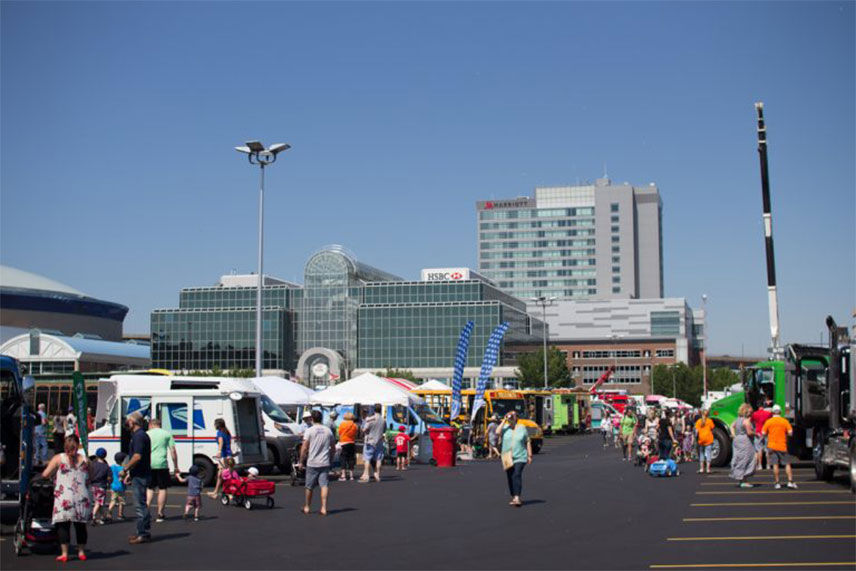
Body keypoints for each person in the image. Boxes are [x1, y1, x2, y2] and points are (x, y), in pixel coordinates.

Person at [42, 435, 92, 562]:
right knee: (80, 526)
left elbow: (45, 474)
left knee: (63, 525)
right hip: (82, 496)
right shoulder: (86, 459)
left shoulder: (59, 458)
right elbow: (90, 476)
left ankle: (65, 554)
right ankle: (81, 552)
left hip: (64, 496)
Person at [121, 412, 152, 544]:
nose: (127, 423)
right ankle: (142, 531)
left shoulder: (139, 436)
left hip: (141, 475)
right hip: (138, 474)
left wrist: (125, 469)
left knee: (140, 505)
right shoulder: (138, 435)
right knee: (140, 503)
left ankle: (143, 534)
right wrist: (130, 474)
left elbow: (137, 456)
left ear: (133, 422)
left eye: (128, 421)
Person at [299, 409, 335, 515]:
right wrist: (331, 459)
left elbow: (304, 447)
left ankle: (307, 507)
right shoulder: (328, 430)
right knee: (324, 485)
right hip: (324, 462)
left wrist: (301, 461)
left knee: (309, 486)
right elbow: (333, 448)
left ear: (312, 419)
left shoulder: (310, 430)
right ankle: (323, 508)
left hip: (312, 462)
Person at [146, 417, 178, 522]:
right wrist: (176, 466)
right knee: (162, 489)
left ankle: (146, 512)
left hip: (149, 464)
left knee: (150, 488)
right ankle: (160, 514)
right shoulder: (167, 434)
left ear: (151, 424)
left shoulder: (147, 434)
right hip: (162, 464)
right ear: (160, 425)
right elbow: (173, 451)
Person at [498, 411, 532, 507]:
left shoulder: (522, 428)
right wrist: (504, 420)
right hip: (507, 457)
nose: (511, 418)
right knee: (510, 476)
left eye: (513, 416)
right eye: (510, 416)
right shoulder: (505, 428)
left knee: (516, 474)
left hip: (520, 456)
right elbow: (497, 432)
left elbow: (528, 441)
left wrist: (529, 455)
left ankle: (517, 497)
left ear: (516, 418)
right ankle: (514, 495)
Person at [762, 404, 798, 489]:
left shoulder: (769, 422)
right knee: (787, 464)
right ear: (780, 412)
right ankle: (790, 481)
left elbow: (763, 433)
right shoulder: (784, 421)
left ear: (772, 412)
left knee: (775, 464)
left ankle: (777, 483)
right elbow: (790, 433)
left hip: (772, 445)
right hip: (782, 445)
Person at [729, 403, 757, 488]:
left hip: (737, 440)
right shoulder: (746, 421)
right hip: (745, 441)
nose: (752, 414)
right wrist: (756, 433)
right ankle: (744, 480)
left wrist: (734, 435)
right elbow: (749, 432)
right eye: (751, 412)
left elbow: (731, 426)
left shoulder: (737, 419)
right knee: (746, 459)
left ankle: (740, 479)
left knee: (738, 458)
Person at [207, 418, 233, 499]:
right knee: (221, 475)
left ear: (218, 425)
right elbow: (229, 444)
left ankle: (229, 493)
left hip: (224, 456)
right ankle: (216, 492)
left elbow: (221, 442)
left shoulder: (220, 433)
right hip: (229, 455)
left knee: (223, 475)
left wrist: (219, 451)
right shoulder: (227, 432)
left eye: (215, 424)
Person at [359, 404, 385, 483]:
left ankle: (366, 475)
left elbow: (364, 429)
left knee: (367, 458)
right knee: (378, 459)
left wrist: (362, 427)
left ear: (374, 410)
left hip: (370, 441)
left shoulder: (371, 419)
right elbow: (384, 431)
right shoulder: (383, 420)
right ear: (380, 410)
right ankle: (377, 474)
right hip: (379, 441)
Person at [89, 447, 112, 524]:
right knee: (99, 502)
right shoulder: (106, 466)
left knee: (98, 502)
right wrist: (109, 483)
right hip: (101, 486)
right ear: (105, 456)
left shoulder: (92, 464)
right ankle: (93, 516)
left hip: (93, 486)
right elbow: (109, 478)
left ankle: (104, 516)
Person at [750, 399, 773, 470]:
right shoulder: (768, 414)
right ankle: (768, 465)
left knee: (758, 450)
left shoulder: (754, 414)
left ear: (757, 406)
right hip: (766, 432)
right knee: (767, 450)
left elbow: (751, 422)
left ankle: (759, 465)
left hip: (758, 433)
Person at [337, 412, 359, 481]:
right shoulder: (355, 425)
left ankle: (343, 475)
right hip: (352, 442)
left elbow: (339, 432)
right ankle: (351, 475)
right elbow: (355, 434)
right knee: (351, 458)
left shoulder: (342, 424)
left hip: (343, 442)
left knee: (343, 458)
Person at [106, 452, 127, 522]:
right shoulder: (123, 468)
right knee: (121, 501)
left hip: (113, 486)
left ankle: (109, 513)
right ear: (123, 460)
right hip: (121, 487)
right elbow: (123, 477)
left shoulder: (111, 467)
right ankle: (120, 515)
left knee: (113, 500)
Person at [694, 409, 715, 474]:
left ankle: (701, 469)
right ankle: (708, 469)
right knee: (708, 453)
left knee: (701, 454)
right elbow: (712, 428)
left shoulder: (698, 421)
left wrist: (695, 438)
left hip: (701, 439)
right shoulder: (709, 421)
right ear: (707, 414)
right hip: (708, 438)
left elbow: (696, 431)